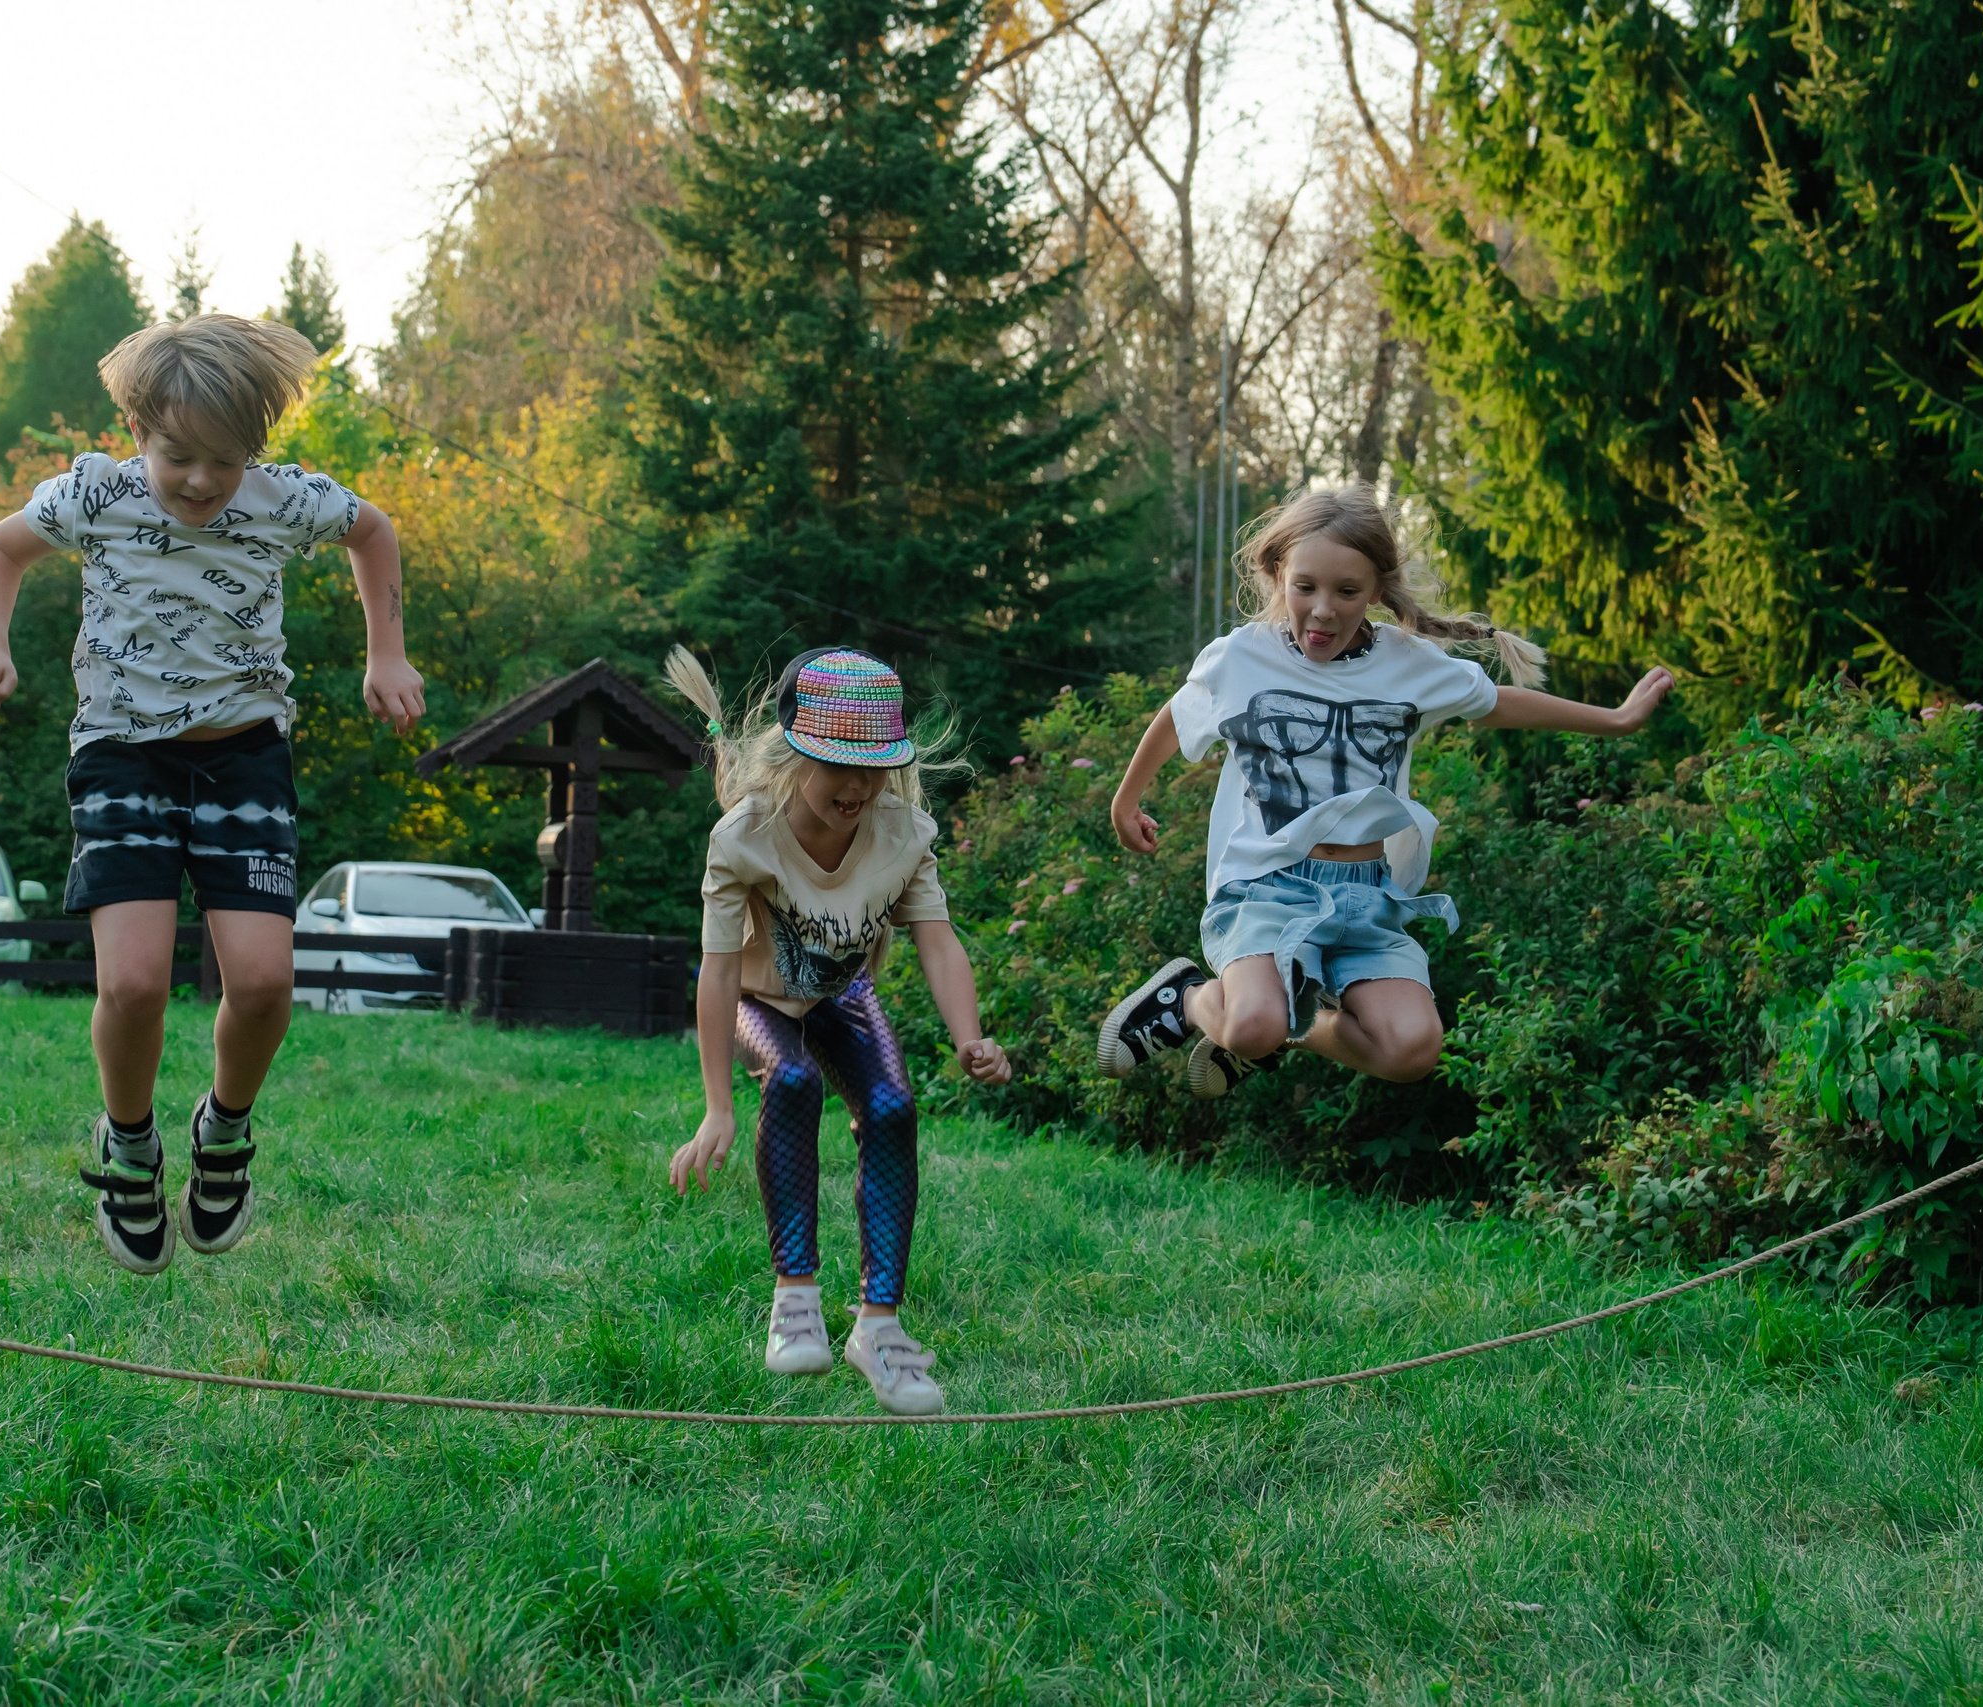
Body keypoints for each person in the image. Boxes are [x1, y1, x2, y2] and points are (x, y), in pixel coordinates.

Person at [0, 313, 425, 1274]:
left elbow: (372, 534)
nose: (203, 481)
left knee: (261, 983)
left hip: (244, 755)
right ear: (139, 433)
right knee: (131, 982)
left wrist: (388, 653)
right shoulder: (97, 493)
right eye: (179, 457)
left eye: (224, 459)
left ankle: (225, 1135)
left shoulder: (285, 500)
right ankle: (130, 1146)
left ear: (253, 450)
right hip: (124, 756)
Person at [1097, 484, 1672, 1097]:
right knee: (1252, 1025)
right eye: (1306, 587)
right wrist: (1125, 800)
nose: (1323, 610)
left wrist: (1616, 718)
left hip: (1365, 897)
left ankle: (1278, 1026)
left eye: (1347, 592)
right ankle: (1189, 1001)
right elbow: (1178, 714)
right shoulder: (1240, 658)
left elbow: (1498, 703)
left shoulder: (1408, 664)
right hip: (1263, 889)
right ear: (1277, 575)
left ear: (1376, 591)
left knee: (1411, 1049)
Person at [665, 645, 1011, 1416]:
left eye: (872, 769)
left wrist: (969, 1035)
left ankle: (878, 1327)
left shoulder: (903, 832)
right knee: (790, 1080)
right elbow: (718, 973)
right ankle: (795, 1299)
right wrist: (718, 1105)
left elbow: (937, 938)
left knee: (892, 1108)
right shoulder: (745, 837)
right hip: (758, 996)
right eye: (835, 767)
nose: (855, 787)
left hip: (840, 995)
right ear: (794, 754)